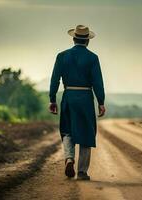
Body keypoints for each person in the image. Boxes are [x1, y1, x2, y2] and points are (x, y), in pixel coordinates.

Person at [49, 25, 106, 180]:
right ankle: (82, 172)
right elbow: (98, 83)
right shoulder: (93, 58)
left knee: (67, 130)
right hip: (86, 98)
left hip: (68, 96)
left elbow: (54, 80)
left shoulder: (62, 56)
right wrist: (101, 102)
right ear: (87, 41)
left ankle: (69, 158)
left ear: (73, 38)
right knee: (86, 133)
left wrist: (52, 99)